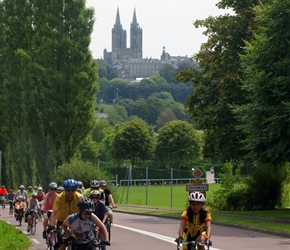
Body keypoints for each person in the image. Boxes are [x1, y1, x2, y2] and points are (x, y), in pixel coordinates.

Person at [50, 179, 83, 250]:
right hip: (62, 221)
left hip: (76, 222)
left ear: (76, 189)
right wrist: (52, 226)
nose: (70, 192)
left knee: (81, 243)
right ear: (65, 189)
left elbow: (84, 211)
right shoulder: (59, 197)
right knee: (62, 243)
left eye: (73, 189)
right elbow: (54, 213)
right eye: (68, 189)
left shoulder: (80, 197)